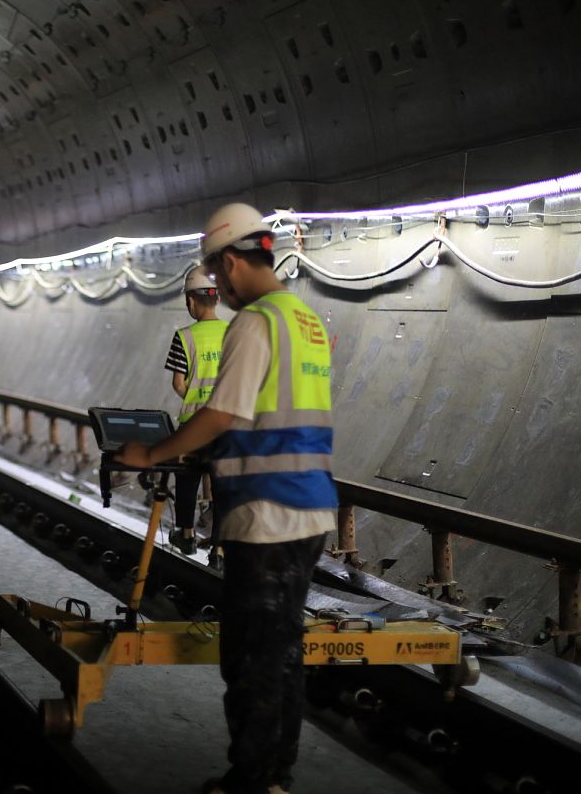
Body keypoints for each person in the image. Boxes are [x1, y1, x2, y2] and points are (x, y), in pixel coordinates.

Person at [115, 202, 337, 794]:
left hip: (266, 511)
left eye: (216, 275)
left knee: (251, 660)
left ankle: (250, 781)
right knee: (283, 652)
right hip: (311, 507)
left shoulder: (257, 322)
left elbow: (222, 411)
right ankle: (275, 779)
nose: (217, 289)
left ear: (234, 261)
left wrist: (150, 454)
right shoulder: (304, 319)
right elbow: (269, 414)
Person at [164, 266, 227, 565]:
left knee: (187, 479)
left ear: (191, 301)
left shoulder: (184, 337)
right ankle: (219, 550)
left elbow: (179, 383)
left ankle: (186, 535)